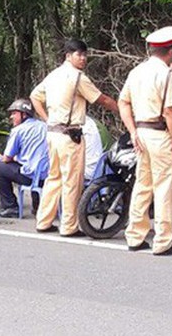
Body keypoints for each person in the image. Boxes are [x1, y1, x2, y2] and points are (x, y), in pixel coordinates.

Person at [30, 39, 118, 237]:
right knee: (72, 181)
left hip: (52, 133)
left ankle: (44, 221)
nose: (83, 58)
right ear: (68, 56)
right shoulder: (78, 78)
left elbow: (35, 96)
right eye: (79, 54)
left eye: (85, 55)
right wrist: (122, 109)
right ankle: (69, 226)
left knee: (54, 177)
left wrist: (47, 119)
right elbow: (101, 99)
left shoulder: (53, 75)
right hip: (70, 135)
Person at [119, 26, 172, 256]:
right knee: (165, 187)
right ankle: (164, 241)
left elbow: (123, 103)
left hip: (141, 133)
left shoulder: (136, 71)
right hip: (158, 134)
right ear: (170, 51)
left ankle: (135, 236)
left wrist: (132, 130)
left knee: (142, 184)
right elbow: (170, 112)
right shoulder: (164, 74)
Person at [0, 98, 49, 218]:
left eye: (14, 113)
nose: (11, 117)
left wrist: (8, 158)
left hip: (30, 176)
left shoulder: (18, 130)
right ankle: (37, 205)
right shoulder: (45, 126)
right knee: (34, 168)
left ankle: (11, 207)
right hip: (48, 176)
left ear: (24, 114)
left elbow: (7, 158)